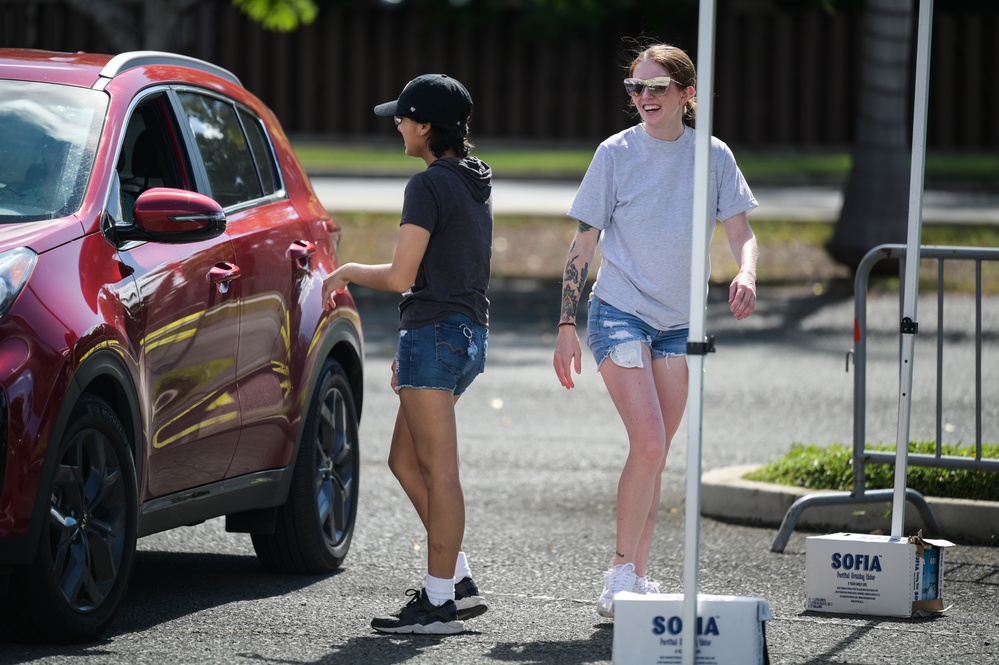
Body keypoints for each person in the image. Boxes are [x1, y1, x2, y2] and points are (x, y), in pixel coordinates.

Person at [551, 42, 759, 619]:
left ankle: (637, 580)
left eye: (657, 88)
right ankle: (618, 574)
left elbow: (742, 232)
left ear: (686, 96)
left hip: (679, 323)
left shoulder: (713, 157)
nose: (644, 97)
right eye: (635, 88)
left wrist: (747, 270)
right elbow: (583, 243)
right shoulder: (615, 154)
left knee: (656, 453)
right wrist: (567, 323)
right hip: (619, 310)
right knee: (647, 440)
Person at [321, 73, 492, 635]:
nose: (396, 124)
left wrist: (345, 271)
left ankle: (439, 602)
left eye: (402, 117)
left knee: (440, 473)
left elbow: (400, 276)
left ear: (424, 127)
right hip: (463, 337)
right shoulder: (471, 179)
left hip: (434, 335)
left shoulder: (427, 186)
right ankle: (457, 579)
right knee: (403, 460)